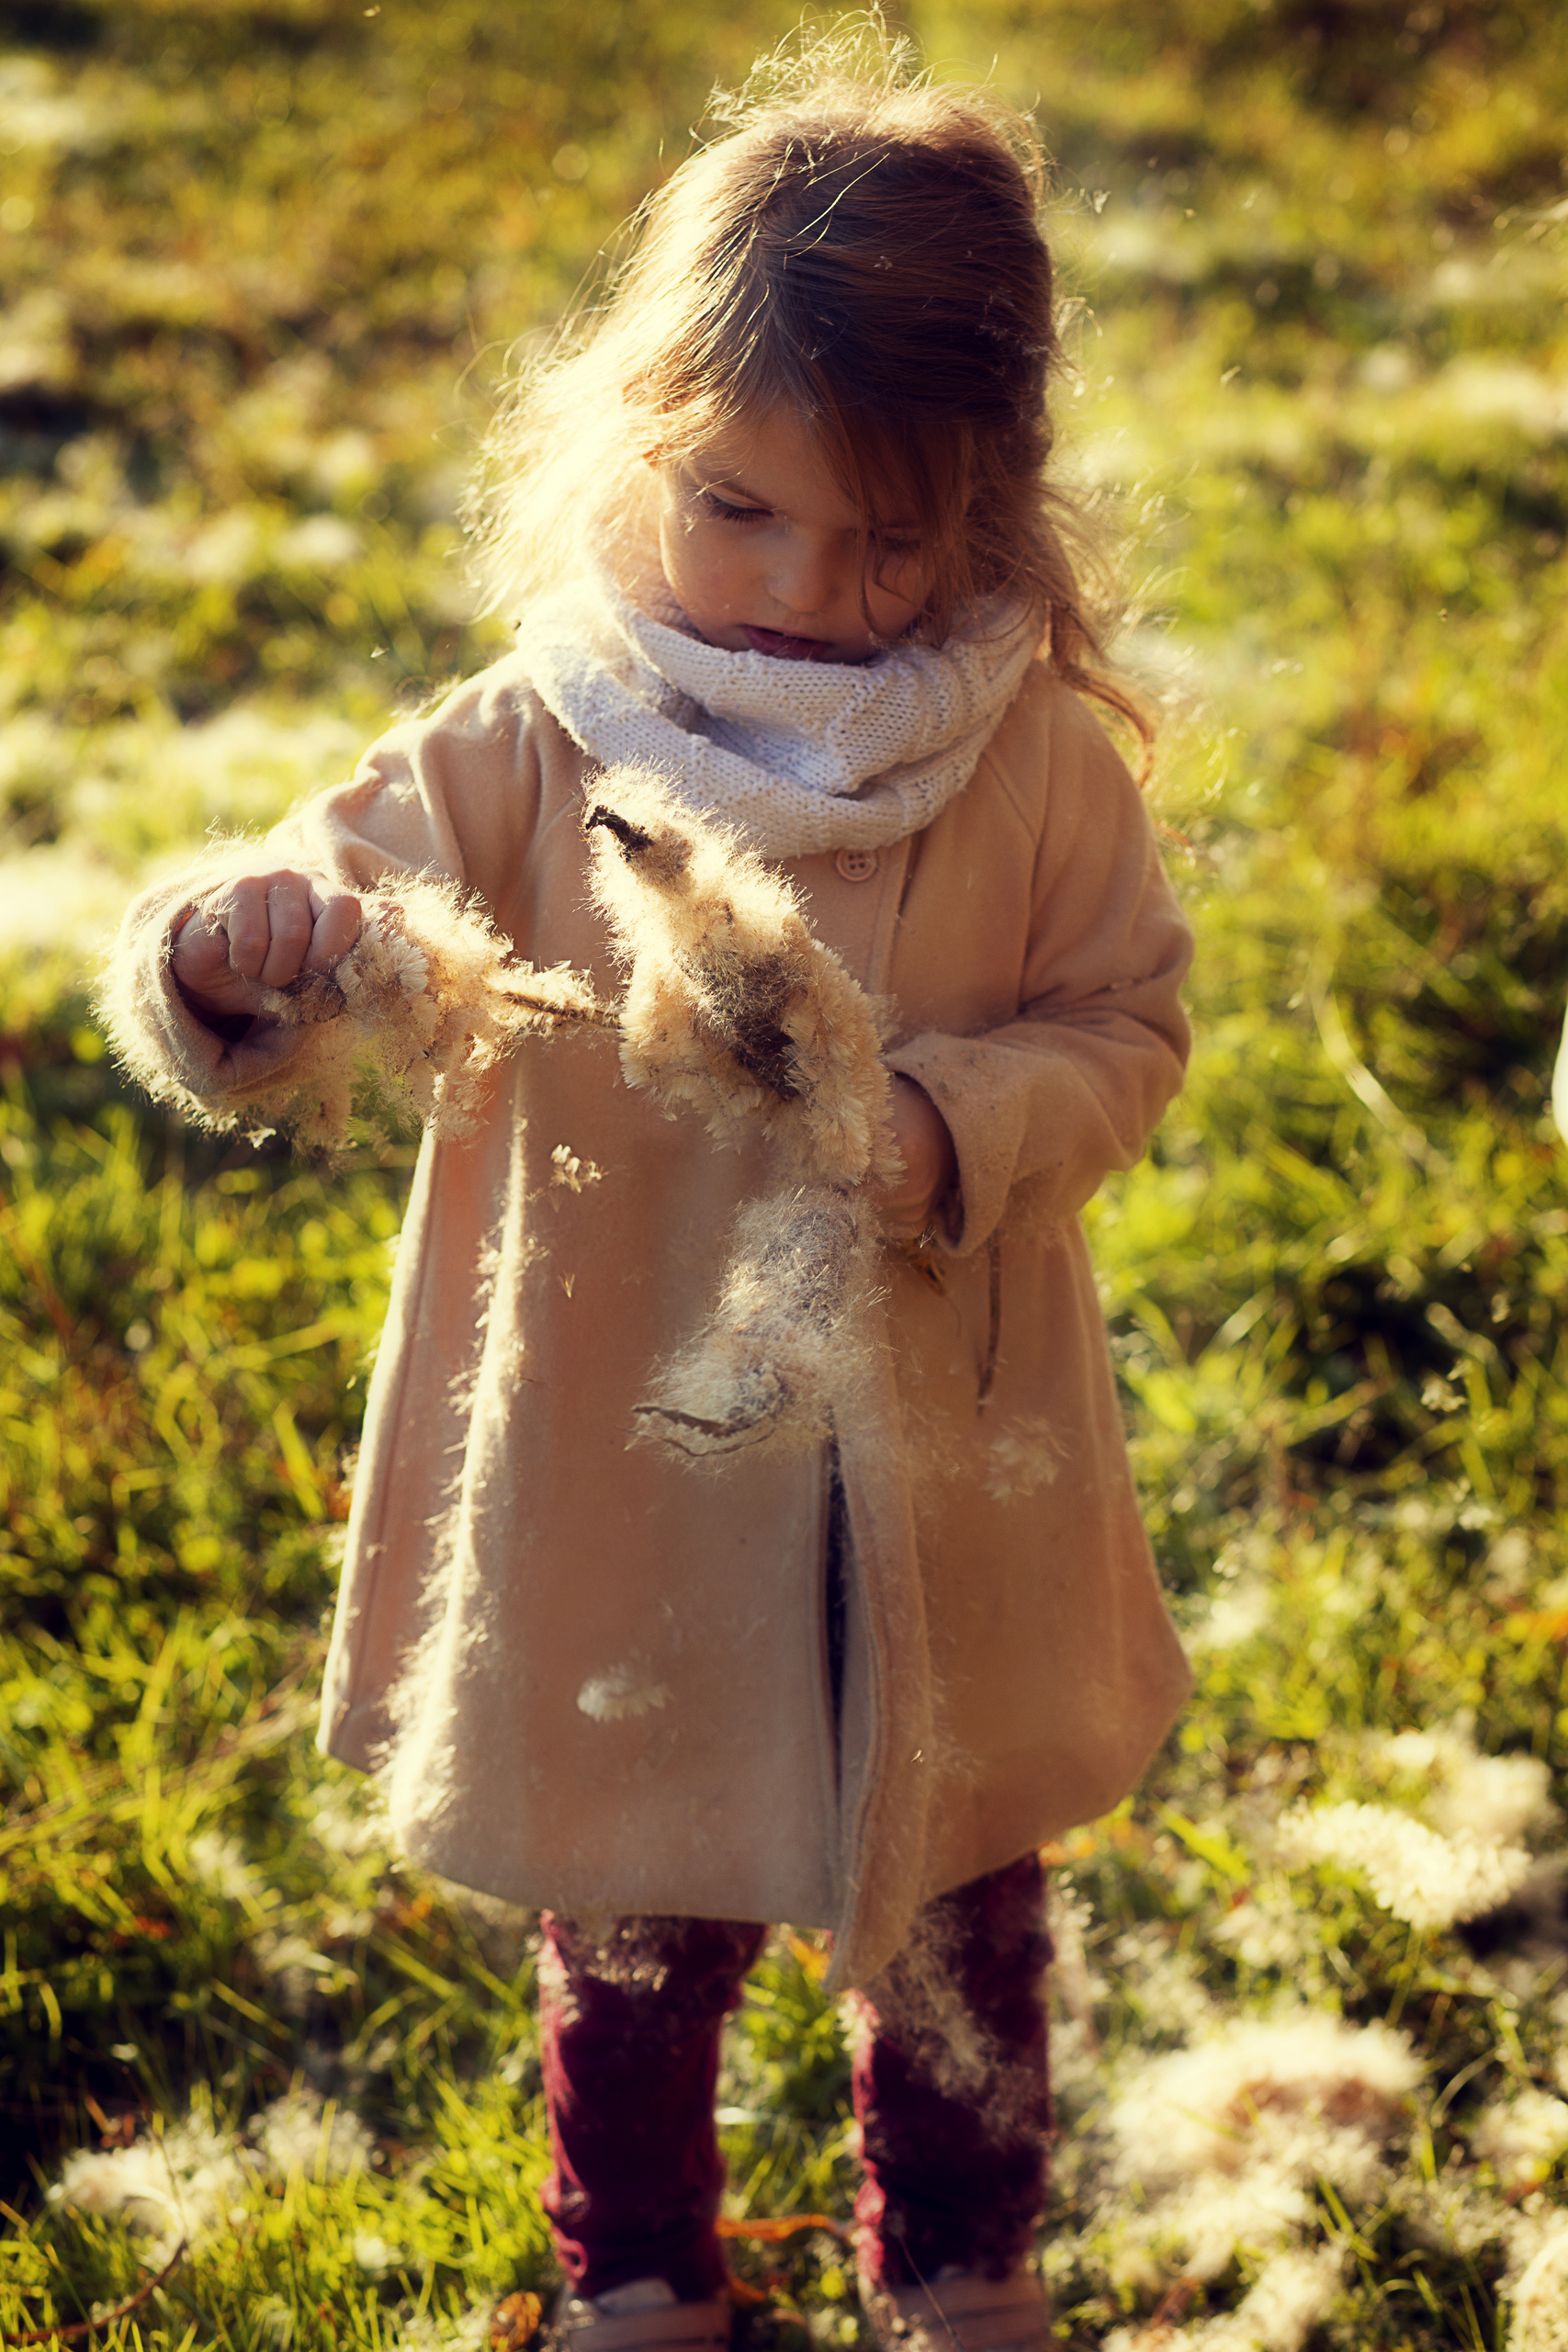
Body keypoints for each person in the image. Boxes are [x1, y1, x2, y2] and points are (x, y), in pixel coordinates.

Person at [104, 29, 1194, 2352]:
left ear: (988, 505)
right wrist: (248, 946)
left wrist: (929, 1127)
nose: (805, 586)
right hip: (630, 1467)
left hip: (939, 1454)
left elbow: (1124, 1030)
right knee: (627, 1909)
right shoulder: (540, 733)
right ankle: (637, 2278)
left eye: (885, 536)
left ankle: (968, 2267)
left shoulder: (1023, 762)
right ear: (642, 440)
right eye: (741, 509)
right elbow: (331, 898)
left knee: (966, 1908)